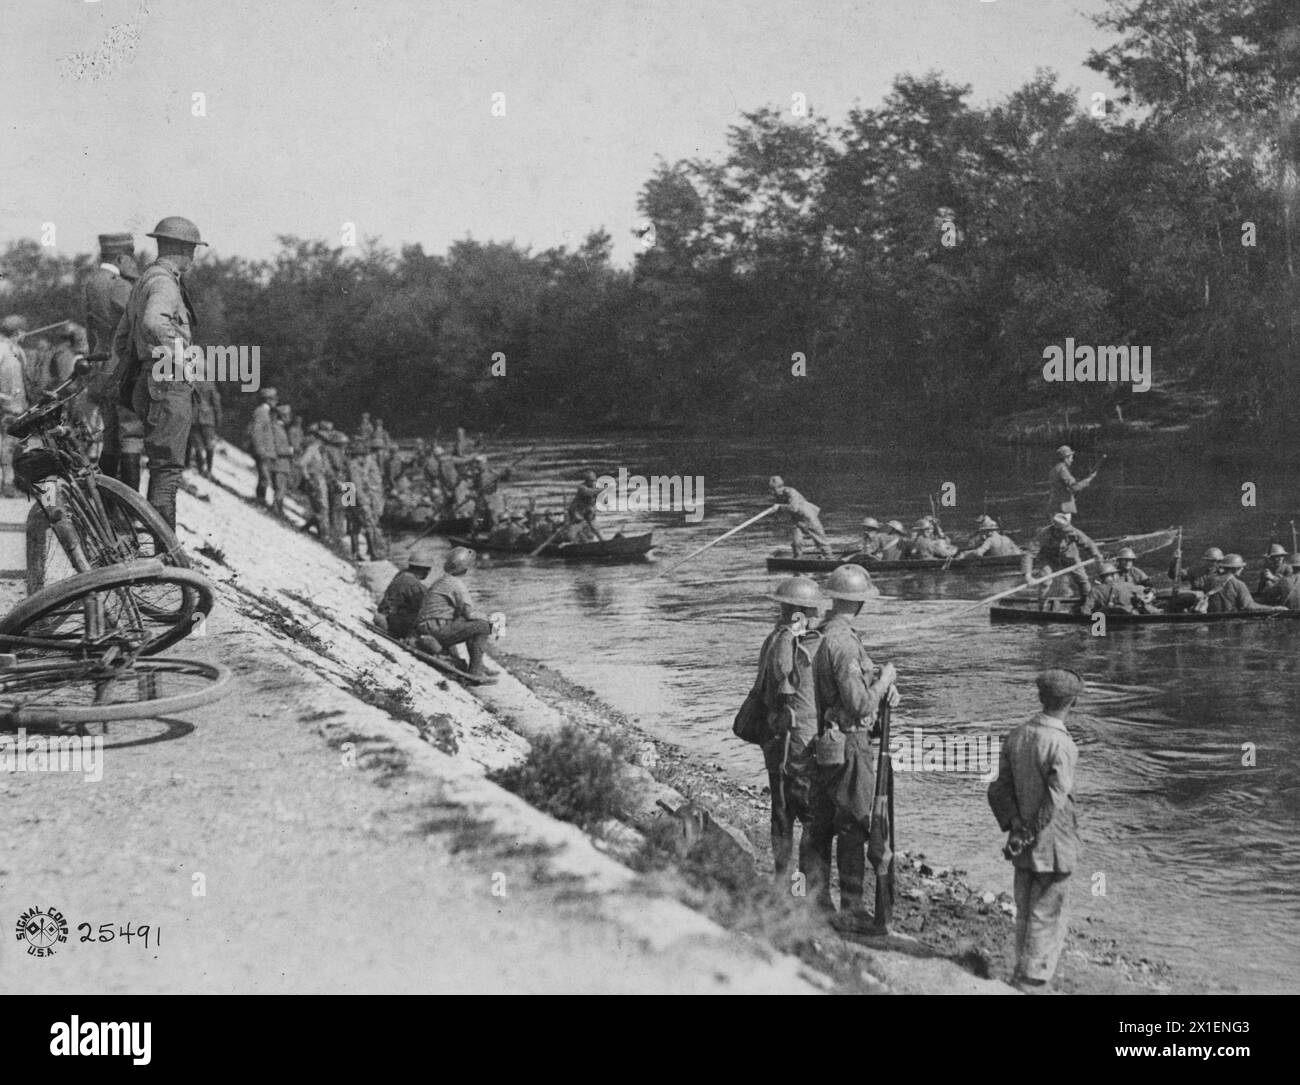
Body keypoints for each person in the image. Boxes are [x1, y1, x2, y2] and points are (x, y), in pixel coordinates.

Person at [810, 564, 899, 924]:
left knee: (821, 823)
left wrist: (879, 685)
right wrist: (886, 680)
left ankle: (813, 902)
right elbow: (859, 704)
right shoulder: (844, 643)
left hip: (826, 741)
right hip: (849, 743)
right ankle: (851, 908)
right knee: (854, 824)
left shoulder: (823, 633)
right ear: (859, 602)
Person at [987, 668, 1083, 991]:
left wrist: (1015, 826)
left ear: (1041, 698)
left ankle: (1020, 971)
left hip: (1021, 842)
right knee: (1048, 911)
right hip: (1052, 843)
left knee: (1025, 910)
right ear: (1073, 703)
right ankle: (1032, 980)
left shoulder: (1017, 735)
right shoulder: (1063, 745)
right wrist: (1030, 829)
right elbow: (1055, 799)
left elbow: (998, 790)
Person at [115, 215, 206, 529]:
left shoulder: (144, 280)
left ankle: (155, 544)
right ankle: (166, 551)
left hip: (147, 378)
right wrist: (182, 357)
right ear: (181, 248)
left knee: (158, 465)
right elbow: (155, 322)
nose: (193, 258)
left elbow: (122, 336)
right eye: (192, 250)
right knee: (167, 470)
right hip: (167, 381)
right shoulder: (166, 282)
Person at [752, 577, 826, 890]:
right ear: (800, 611)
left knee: (782, 813)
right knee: (808, 815)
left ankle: (784, 883)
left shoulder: (775, 636)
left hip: (778, 739)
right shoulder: (788, 640)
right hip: (793, 743)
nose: (816, 615)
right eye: (811, 610)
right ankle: (799, 890)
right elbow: (784, 687)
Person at [84, 232, 142, 484]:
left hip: (101, 366)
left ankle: (109, 506)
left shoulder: (92, 282)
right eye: (131, 257)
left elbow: (90, 331)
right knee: (131, 434)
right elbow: (139, 323)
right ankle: (131, 509)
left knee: (110, 435)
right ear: (121, 256)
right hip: (123, 368)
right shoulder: (119, 285)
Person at [414, 546, 499, 680]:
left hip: (427, 626)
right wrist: (489, 619)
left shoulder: (443, 580)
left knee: (473, 624)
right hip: (434, 629)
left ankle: (478, 665)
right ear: (465, 569)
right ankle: (475, 670)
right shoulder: (457, 585)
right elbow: (469, 613)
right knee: (483, 626)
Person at [1031, 513, 1103, 610]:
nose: (1066, 533)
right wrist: (1027, 574)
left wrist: (1096, 555)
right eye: (1063, 531)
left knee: (1082, 579)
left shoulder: (1073, 532)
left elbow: (1088, 543)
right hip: (1048, 558)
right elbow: (1030, 553)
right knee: (1045, 581)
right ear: (1056, 529)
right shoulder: (1045, 534)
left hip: (1070, 556)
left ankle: (1088, 602)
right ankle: (1042, 605)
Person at [0, 315, 30, 497]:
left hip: (19, 406)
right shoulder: (2, 349)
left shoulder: (18, 350)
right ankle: (7, 483)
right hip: (6, 406)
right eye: (23, 331)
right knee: (8, 444)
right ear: (18, 332)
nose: (25, 334)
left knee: (17, 444)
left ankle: (17, 481)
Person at [376, 546, 433, 639]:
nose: (429, 572)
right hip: (391, 622)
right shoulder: (414, 584)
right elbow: (424, 607)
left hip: (383, 615)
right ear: (423, 569)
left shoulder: (402, 574)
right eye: (428, 569)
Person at [769, 475, 832, 558]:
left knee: (820, 539)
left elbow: (793, 508)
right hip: (797, 520)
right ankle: (797, 558)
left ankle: (828, 558)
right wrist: (776, 511)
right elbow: (783, 508)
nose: (773, 493)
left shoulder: (791, 492)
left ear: (778, 488)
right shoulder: (780, 495)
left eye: (773, 490)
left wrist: (779, 507)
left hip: (808, 517)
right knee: (796, 542)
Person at [343, 439, 385, 560]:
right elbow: (357, 486)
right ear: (359, 455)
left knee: (354, 525)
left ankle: (356, 552)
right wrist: (364, 502)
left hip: (349, 494)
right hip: (354, 496)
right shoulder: (354, 467)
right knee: (368, 524)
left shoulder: (351, 464)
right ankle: (372, 553)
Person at [1205, 554, 1286, 614]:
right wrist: (1273, 608)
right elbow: (1249, 606)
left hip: (1212, 619)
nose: (1242, 568)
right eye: (1241, 567)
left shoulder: (1209, 581)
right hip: (1231, 622)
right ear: (1236, 568)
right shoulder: (1239, 584)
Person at [297, 426, 334, 541]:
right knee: (323, 507)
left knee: (322, 507)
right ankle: (324, 535)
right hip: (314, 480)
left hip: (321, 480)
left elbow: (326, 469)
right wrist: (307, 479)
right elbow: (302, 464)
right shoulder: (312, 449)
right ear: (319, 439)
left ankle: (307, 527)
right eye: (324, 441)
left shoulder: (322, 452)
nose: (325, 444)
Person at [1047, 445, 1097, 520]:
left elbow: (1064, 486)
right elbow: (1074, 487)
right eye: (1071, 457)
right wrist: (1089, 479)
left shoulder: (1055, 469)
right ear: (1065, 458)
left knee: (1057, 530)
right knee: (1065, 530)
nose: (1072, 460)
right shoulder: (1062, 469)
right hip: (1062, 508)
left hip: (1055, 506)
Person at [248, 387, 279, 507]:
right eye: (274, 399)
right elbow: (257, 432)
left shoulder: (266, 413)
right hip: (263, 451)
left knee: (263, 478)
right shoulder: (261, 412)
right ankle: (260, 500)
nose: (276, 401)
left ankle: (260, 500)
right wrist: (259, 449)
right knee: (265, 478)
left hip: (266, 451)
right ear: (268, 400)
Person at [188, 379, 222, 478]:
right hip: (208, 418)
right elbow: (216, 403)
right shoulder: (210, 385)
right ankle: (209, 470)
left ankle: (200, 468)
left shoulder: (193, 382)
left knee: (197, 444)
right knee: (209, 445)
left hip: (194, 416)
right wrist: (218, 421)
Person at [957, 515, 1022, 560]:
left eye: (983, 531)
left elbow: (978, 553)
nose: (982, 534)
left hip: (993, 565)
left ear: (987, 531)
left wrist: (965, 553)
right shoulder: (1006, 538)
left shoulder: (990, 540)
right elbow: (1018, 552)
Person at [565, 468, 602, 542]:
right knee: (570, 537)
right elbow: (590, 492)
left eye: (594, 480)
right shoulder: (582, 488)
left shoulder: (595, 487)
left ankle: (604, 543)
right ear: (586, 481)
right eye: (591, 481)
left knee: (597, 534)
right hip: (577, 517)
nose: (593, 482)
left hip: (589, 517)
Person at [271, 403, 295, 515]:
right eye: (288, 416)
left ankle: (278, 509)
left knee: (281, 489)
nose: (289, 418)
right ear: (283, 416)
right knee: (279, 489)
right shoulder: (277, 429)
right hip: (279, 464)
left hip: (283, 464)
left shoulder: (280, 429)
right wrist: (290, 451)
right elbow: (277, 448)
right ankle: (276, 510)